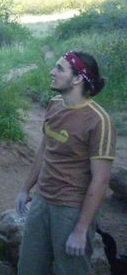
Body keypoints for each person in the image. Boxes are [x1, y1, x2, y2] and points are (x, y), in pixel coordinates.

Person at [15, 51, 116, 275]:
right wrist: (25, 188)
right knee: (29, 268)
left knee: (69, 270)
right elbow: (44, 150)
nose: (52, 72)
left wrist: (80, 230)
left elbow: (100, 181)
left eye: (60, 68)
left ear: (78, 78)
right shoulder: (54, 105)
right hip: (42, 201)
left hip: (71, 209)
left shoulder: (99, 121)